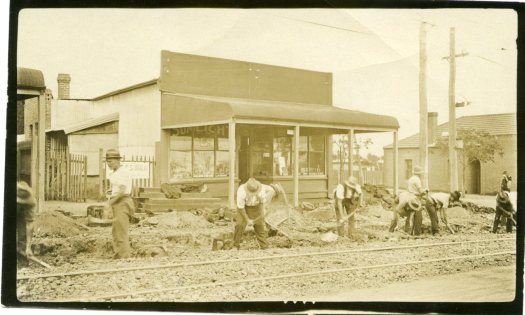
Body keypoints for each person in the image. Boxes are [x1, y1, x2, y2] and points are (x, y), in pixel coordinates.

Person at [232, 178, 280, 250]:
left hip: (256, 207)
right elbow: (241, 208)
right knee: (239, 225)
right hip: (244, 208)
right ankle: (235, 245)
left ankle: (264, 246)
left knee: (259, 226)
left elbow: (262, 204)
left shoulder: (261, 191)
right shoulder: (241, 191)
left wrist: (262, 214)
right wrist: (247, 220)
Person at [105, 149, 135, 259]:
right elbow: (117, 187)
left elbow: (123, 191)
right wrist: (110, 191)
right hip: (117, 201)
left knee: (121, 230)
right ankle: (119, 253)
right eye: (107, 161)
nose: (109, 164)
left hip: (122, 202)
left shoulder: (123, 172)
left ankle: (125, 256)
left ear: (118, 160)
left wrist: (110, 202)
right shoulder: (115, 172)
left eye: (111, 161)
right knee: (116, 230)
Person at [389, 165, 427, 233]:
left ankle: (393, 229)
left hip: (409, 196)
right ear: (419, 173)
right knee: (419, 215)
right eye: (421, 173)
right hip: (414, 198)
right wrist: (425, 191)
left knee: (407, 214)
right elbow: (420, 191)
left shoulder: (411, 178)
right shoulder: (417, 180)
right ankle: (417, 232)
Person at [17, 181, 36, 267]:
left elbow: (29, 225)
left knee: (22, 235)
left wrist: (28, 247)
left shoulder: (31, 203)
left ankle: (23, 264)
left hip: (20, 214)